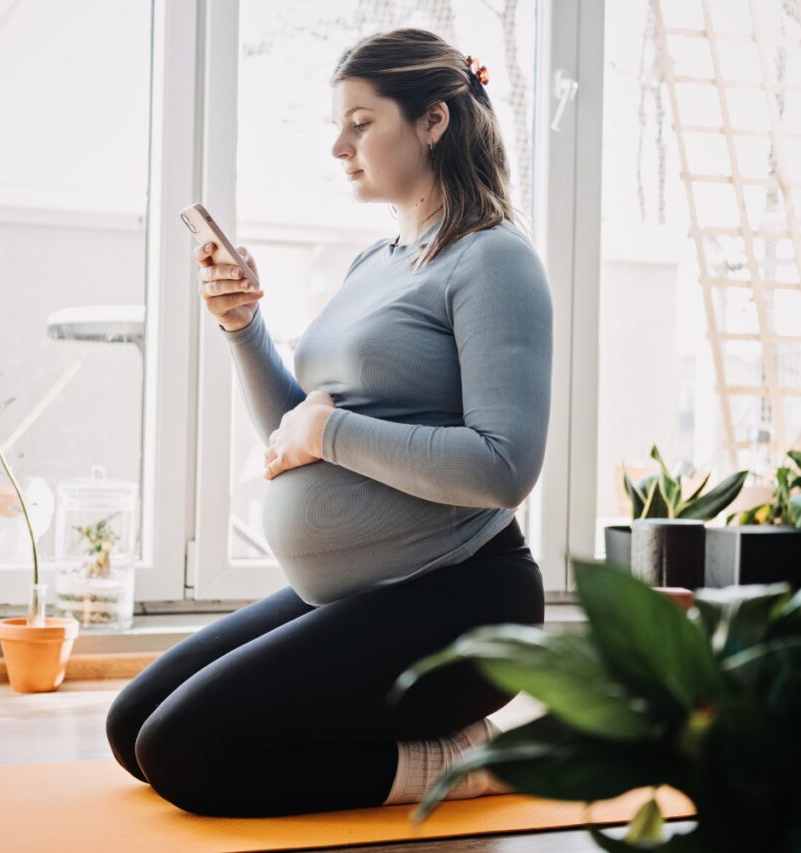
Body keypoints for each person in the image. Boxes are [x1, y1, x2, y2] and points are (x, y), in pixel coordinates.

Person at [106, 28, 553, 818]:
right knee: (129, 725)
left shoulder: (493, 258)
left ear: (434, 122)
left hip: (463, 599)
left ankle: (464, 758)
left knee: (182, 753)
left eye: (360, 121)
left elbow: (502, 467)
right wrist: (243, 325)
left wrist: (331, 435)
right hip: (353, 594)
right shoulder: (375, 262)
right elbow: (291, 434)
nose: (339, 145)